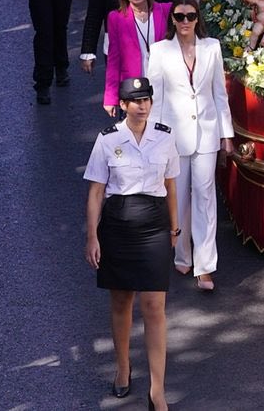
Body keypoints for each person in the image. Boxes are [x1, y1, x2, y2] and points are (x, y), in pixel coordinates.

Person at [84, 76, 178, 403]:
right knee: (122, 301)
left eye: (147, 100)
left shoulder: (165, 137)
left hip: (154, 224)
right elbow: (96, 192)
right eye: (135, 101)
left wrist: (174, 229)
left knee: (154, 306)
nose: (142, 106)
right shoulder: (108, 140)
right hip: (118, 225)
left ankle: (157, 389)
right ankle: (122, 366)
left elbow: (170, 186)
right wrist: (92, 236)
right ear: (122, 105)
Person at [146, 0, 232, 292]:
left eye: (190, 16)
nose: (185, 22)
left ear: (198, 18)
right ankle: (182, 253)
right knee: (179, 198)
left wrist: (227, 135)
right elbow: (154, 97)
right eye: (179, 16)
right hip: (172, 135)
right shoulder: (159, 51)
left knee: (206, 198)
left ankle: (205, 266)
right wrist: (153, 137)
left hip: (207, 132)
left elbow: (220, 94)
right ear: (172, 19)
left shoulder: (212, 48)